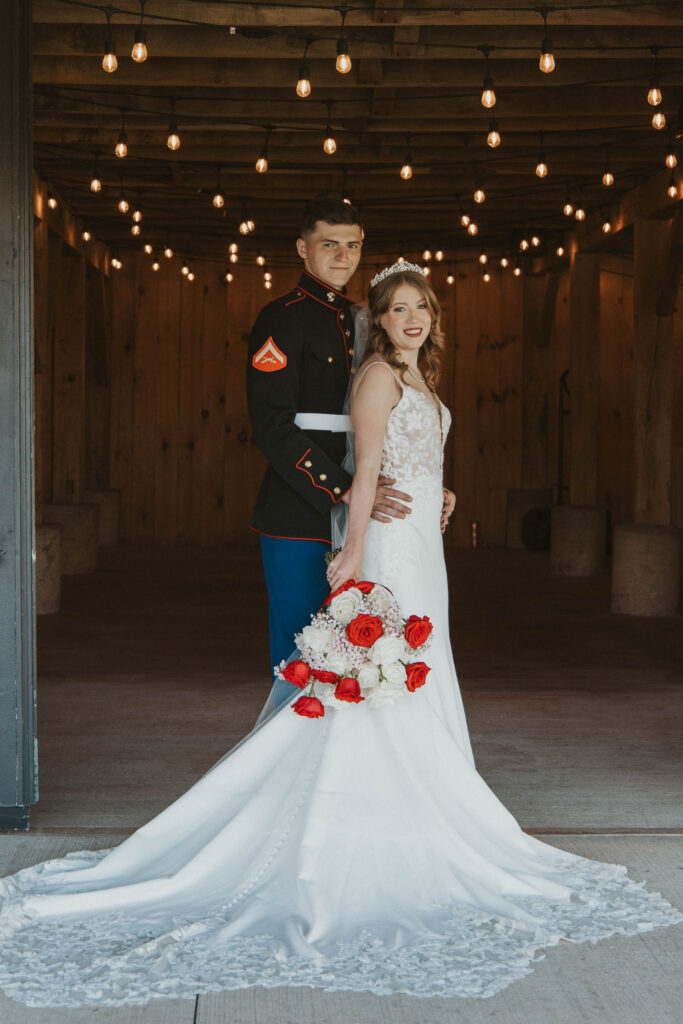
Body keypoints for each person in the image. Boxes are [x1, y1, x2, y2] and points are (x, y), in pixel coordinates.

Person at [0, 265, 680, 1009]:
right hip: (387, 545)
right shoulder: (376, 379)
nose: (410, 318)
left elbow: (411, 460)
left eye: (421, 307)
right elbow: (362, 473)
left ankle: (426, 800)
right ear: (377, 321)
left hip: (425, 543)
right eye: (395, 309)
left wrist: (441, 490)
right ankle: (366, 816)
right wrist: (352, 552)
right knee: (378, 670)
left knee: (424, 662)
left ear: (433, 317)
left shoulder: (420, 380)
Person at [246, 199, 412, 707]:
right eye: (329, 244)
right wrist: (343, 488)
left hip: (364, 512)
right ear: (303, 249)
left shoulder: (366, 321)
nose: (343, 255)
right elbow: (273, 427)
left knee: (356, 654)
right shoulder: (281, 318)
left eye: (353, 245)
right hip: (298, 510)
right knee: (302, 649)